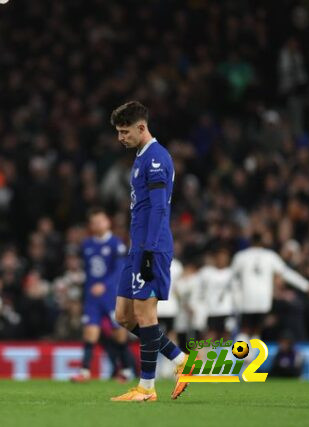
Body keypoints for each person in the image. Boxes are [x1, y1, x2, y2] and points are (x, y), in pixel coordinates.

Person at [108, 101, 189, 402]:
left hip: (150, 247)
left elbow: (158, 208)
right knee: (123, 315)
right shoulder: (141, 157)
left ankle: (147, 387)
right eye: (118, 132)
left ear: (141, 127)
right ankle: (181, 361)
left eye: (124, 131)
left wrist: (149, 251)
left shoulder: (156, 157)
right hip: (137, 247)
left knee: (145, 314)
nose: (120, 138)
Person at [70, 207, 135, 382]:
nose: (97, 224)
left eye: (100, 220)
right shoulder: (87, 244)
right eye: (94, 222)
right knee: (90, 332)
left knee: (119, 334)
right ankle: (84, 371)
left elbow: (120, 269)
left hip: (111, 296)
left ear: (107, 222)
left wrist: (104, 285)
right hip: (92, 297)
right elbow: (86, 269)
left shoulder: (116, 244)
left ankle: (127, 369)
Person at [230, 233, 309, 340]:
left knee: (245, 329)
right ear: (262, 242)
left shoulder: (241, 256)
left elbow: (231, 277)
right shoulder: (269, 256)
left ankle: (242, 355)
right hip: (263, 300)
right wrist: (306, 285)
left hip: (246, 299)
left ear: (250, 242)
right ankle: (251, 356)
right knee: (257, 329)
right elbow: (286, 272)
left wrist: (235, 296)